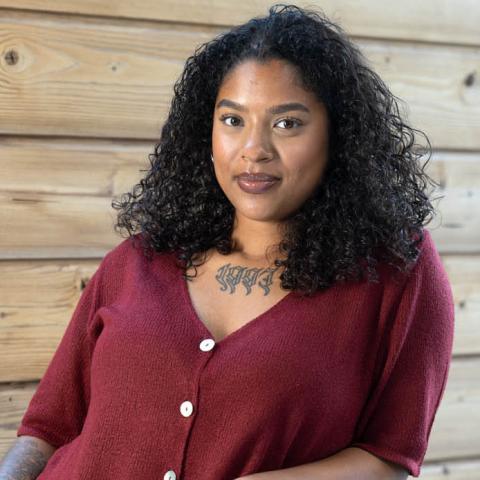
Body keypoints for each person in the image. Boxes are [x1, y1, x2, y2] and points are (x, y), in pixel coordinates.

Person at [0, 3, 454, 480]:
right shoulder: (137, 261)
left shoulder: (396, 272)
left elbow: (390, 456)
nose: (254, 150)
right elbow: (47, 427)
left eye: (287, 123)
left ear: (337, 135)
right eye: (233, 120)